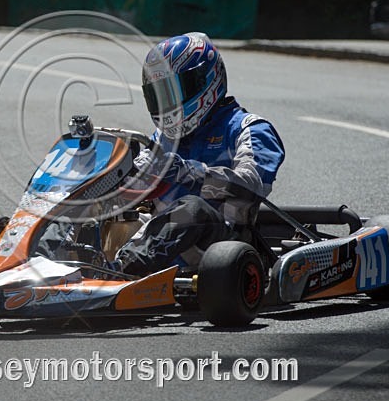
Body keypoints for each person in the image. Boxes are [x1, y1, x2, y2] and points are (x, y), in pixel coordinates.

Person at [112, 32, 286, 276]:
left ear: (206, 80)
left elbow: (252, 184)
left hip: (221, 243)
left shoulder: (249, 128)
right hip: (160, 237)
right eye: (160, 94)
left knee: (191, 208)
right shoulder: (163, 138)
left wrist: (191, 172)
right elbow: (138, 179)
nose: (167, 102)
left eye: (174, 92)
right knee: (83, 205)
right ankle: (49, 262)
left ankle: (122, 272)